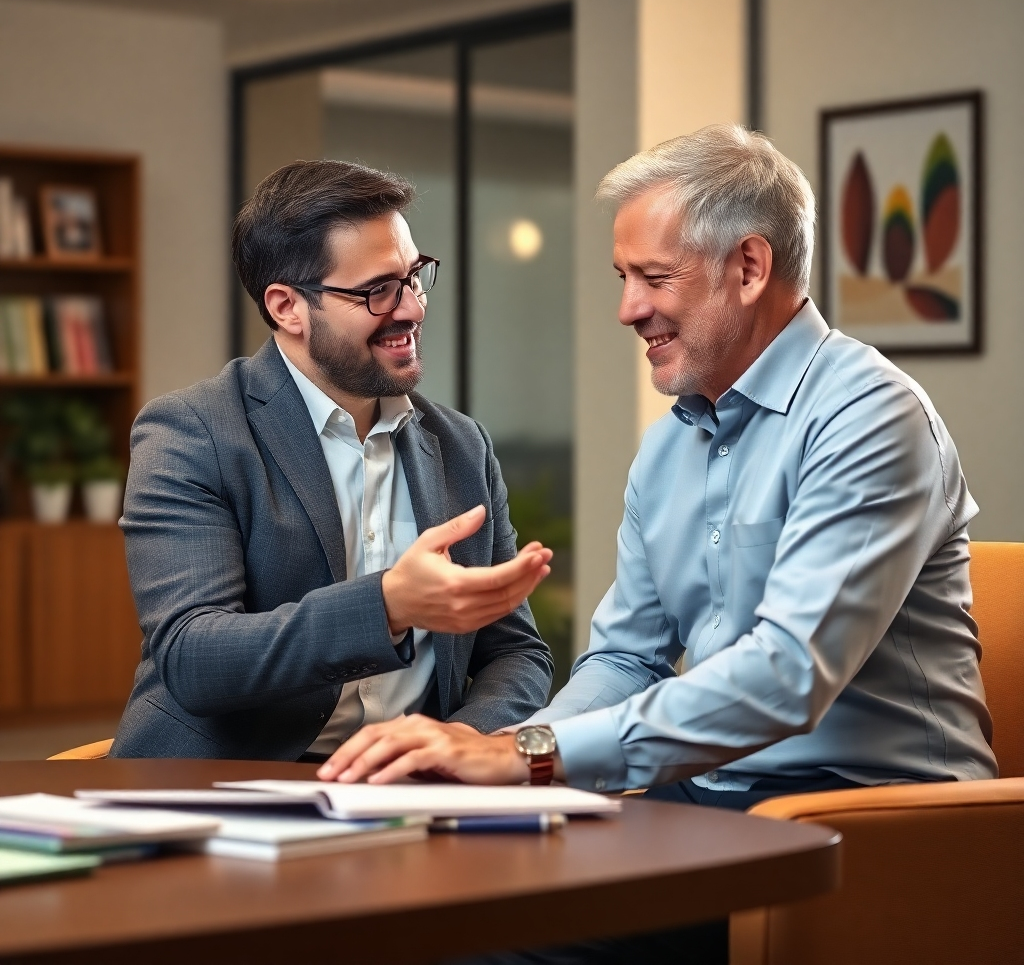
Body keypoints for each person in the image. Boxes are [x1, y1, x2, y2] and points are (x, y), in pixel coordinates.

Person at [314, 125, 996, 964]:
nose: (628, 308)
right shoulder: (670, 444)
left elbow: (786, 677)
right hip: (699, 807)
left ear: (749, 267)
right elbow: (627, 657)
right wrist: (511, 765)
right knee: (416, 898)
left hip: (863, 825)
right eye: (623, 278)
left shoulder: (871, 417)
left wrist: (532, 756)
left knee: (484, 944)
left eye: (653, 278)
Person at [111, 160, 554, 761]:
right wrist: (389, 604)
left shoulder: (460, 445)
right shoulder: (193, 432)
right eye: (377, 291)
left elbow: (516, 652)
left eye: (413, 277)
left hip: (407, 791)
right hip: (225, 791)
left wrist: (460, 738)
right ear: (287, 307)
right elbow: (195, 657)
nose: (411, 309)